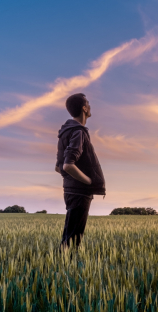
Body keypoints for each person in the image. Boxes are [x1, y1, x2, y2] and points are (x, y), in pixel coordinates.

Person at [55, 93, 106, 249]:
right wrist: (89, 181)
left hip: (70, 190)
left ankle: (61, 268)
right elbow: (67, 165)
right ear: (84, 108)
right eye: (88, 104)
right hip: (79, 192)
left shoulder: (65, 132)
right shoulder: (78, 132)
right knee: (73, 240)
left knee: (69, 236)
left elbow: (58, 167)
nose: (90, 107)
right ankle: (64, 270)